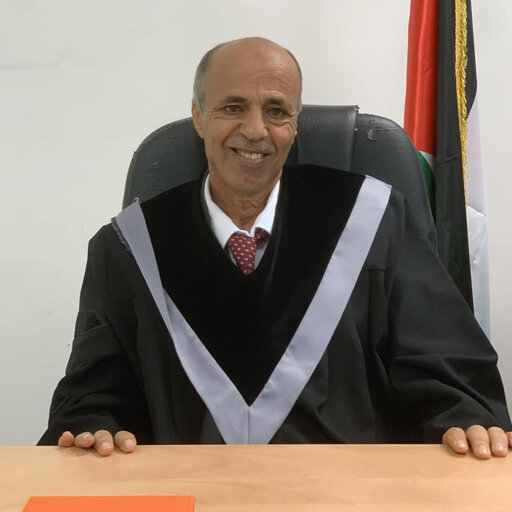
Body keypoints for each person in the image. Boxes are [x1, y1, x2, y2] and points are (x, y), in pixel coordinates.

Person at [39, 37, 512, 459]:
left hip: (348, 491)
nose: (255, 130)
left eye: (276, 111)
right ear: (198, 117)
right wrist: (94, 427)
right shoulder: (127, 247)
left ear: (295, 124)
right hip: (189, 490)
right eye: (232, 107)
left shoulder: (375, 221)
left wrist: (462, 417)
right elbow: (96, 391)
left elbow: (442, 361)